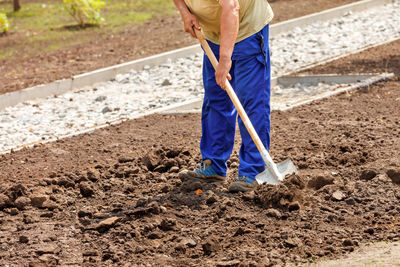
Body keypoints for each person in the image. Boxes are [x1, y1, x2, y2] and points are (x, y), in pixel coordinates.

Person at [174, 0, 274, 192]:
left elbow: (231, 6)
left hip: (247, 28)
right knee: (216, 98)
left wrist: (225, 59)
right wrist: (185, 13)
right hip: (214, 33)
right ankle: (214, 165)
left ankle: (254, 171)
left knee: (251, 102)